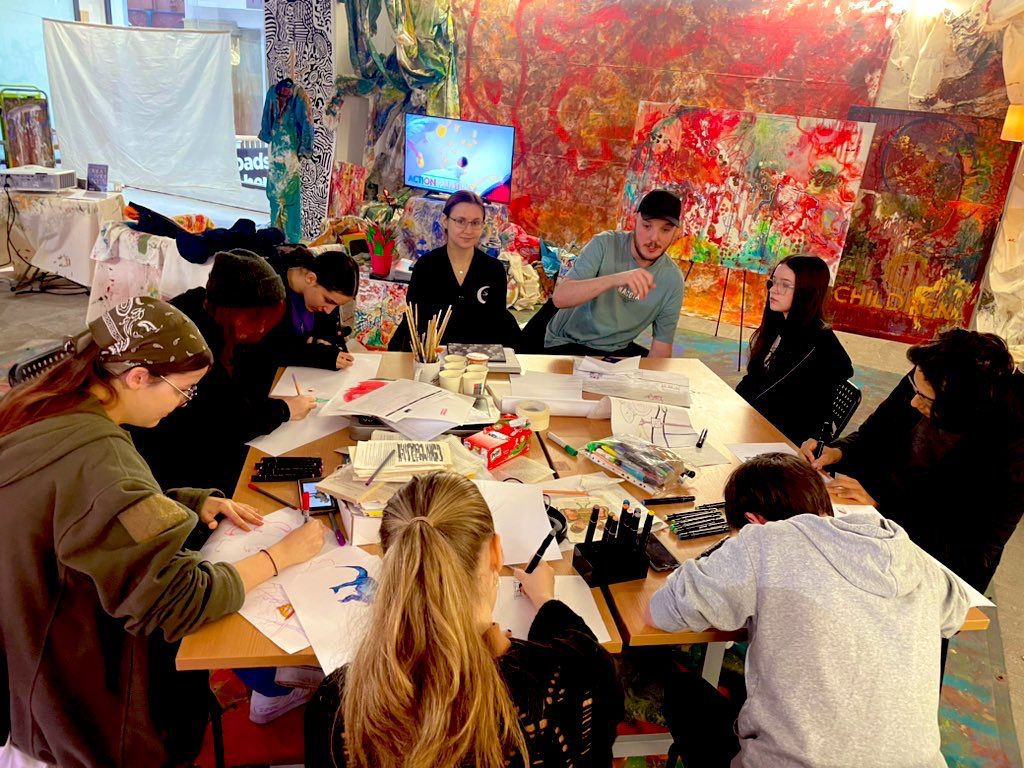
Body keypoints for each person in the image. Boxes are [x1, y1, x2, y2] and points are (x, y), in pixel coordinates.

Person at [0, 297, 323, 768]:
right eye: (184, 390)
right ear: (136, 378)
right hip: (80, 696)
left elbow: (84, 514)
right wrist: (280, 556)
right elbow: (179, 601)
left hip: (30, 648)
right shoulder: (101, 463)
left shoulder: (48, 402)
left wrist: (188, 504)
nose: (183, 403)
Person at [648, 453, 970, 768]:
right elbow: (957, 612)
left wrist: (726, 554)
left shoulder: (764, 543)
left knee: (682, 691)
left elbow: (664, 610)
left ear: (753, 521)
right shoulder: (902, 550)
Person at [304, 472, 623, 768]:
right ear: (497, 553)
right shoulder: (580, 674)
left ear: (393, 565)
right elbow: (583, 650)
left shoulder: (338, 708)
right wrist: (546, 601)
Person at [800, 328, 1024, 593]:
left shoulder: (1011, 447)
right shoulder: (924, 378)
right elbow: (872, 435)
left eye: (926, 399)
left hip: (932, 574)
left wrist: (881, 506)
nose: (914, 402)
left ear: (959, 407)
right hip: (873, 539)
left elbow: (972, 552)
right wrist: (838, 452)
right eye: (915, 389)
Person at [130, 249, 317, 494]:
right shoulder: (195, 345)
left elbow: (237, 393)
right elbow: (225, 419)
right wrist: (283, 410)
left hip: (190, 440)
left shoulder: (213, 312)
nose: (263, 329)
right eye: (260, 321)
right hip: (175, 464)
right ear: (243, 315)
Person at [542, 189, 684, 358]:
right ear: (634, 221)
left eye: (665, 230)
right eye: (647, 226)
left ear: (675, 232)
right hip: (566, 342)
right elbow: (560, 298)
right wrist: (617, 278)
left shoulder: (672, 280)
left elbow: (662, 347)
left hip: (614, 351)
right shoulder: (604, 243)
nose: (654, 237)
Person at [735, 255, 853, 444]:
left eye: (784, 285)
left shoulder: (820, 345)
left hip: (785, 443)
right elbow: (753, 380)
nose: (773, 290)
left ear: (806, 291)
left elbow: (797, 414)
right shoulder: (779, 325)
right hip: (756, 426)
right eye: (773, 282)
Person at [388, 190, 521, 351]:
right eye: (460, 221)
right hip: (433, 358)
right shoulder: (426, 267)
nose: (468, 230)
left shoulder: (494, 270)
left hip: (478, 361)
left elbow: (497, 324)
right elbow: (414, 322)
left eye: (475, 222)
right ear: (445, 221)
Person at [263, 244, 360, 370]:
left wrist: (325, 342)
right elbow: (270, 351)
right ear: (311, 279)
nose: (328, 310)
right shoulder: (269, 291)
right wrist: (319, 356)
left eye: (336, 305)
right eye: (328, 300)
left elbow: (327, 332)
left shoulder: (322, 297)